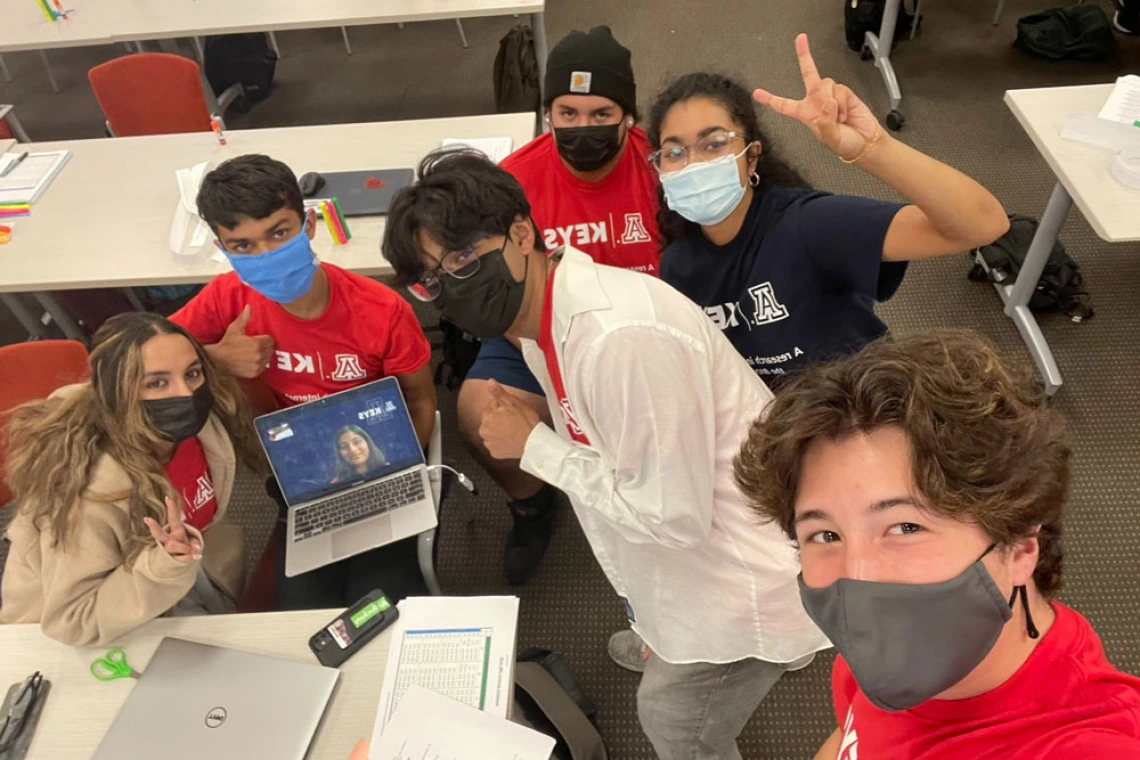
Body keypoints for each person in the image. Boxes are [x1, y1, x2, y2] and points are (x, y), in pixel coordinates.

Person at [382, 150, 829, 760]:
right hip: (695, 522)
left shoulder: (620, 343)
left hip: (742, 575)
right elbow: (623, 460)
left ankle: (721, 654)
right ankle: (664, 634)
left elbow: (675, 518)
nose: (449, 287)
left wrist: (533, 447)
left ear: (521, 232)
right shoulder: (542, 315)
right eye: (431, 279)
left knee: (673, 719)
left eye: (462, 257)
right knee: (663, 645)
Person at [734, 329, 1140, 759]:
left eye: (906, 527)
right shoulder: (893, 652)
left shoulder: (1090, 743)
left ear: (1020, 547)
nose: (857, 577)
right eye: (826, 535)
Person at [649, 35, 1010, 388]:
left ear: (752, 156)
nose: (693, 165)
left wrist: (874, 148)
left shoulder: (807, 226)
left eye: (714, 144)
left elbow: (982, 223)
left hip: (854, 410)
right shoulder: (679, 265)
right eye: (675, 153)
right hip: (768, 422)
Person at [171, 154, 437, 610]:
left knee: (381, 604)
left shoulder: (380, 310)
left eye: (279, 233)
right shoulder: (226, 299)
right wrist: (214, 358)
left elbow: (420, 402)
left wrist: (393, 475)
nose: (267, 256)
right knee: (302, 615)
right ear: (222, 246)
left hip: (380, 468)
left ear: (309, 224)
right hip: (297, 480)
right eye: (243, 246)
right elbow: (128, 362)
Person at [459, 26, 663, 586]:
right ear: (547, 113)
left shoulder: (662, 168)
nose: (582, 128)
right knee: (479, 414)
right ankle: (533, 505)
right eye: (566, 113)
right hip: (538, 334)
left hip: (646, 334)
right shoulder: (515, 181)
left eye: (601, 114)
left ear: (628, 114)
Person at [0, 313, 265, 646]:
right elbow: (73, 621)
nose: (184, 393)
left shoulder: (201, 428)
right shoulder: (89, 492)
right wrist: (162, 567)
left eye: (192, 373)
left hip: (178, 575)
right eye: (157, 383)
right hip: (99, 628)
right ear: (118, 391)